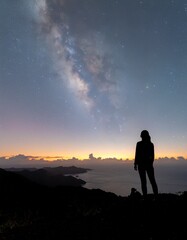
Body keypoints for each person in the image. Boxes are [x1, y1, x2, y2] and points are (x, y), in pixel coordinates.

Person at [134, 130, 158, 198]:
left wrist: (136, 164)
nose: (142, 137)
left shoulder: (148, 144)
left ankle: (148, 197)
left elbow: (152, 156)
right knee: (149, 182)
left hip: (144, 165)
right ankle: (153, 197)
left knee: (148, 182)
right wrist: (135, 164)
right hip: (145, 166)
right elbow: (137, 155)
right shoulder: (149, 144)